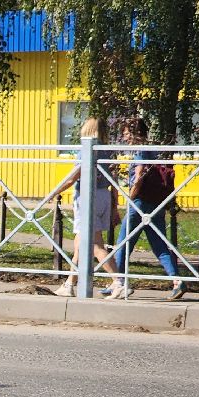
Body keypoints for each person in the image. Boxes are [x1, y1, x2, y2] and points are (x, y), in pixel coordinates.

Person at [111, 118, 185, 300]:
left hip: (140, 204)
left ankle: (117, 283)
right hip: (156, 203)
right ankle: (177, 281)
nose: (124, 136)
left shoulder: (140, 151)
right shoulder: (153, 148)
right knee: (159, 245)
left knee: (123, 244)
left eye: (127, 133)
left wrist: (131, 196)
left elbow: (139, 175)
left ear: (136, 133)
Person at [47, 117, 118, 297]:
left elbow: (73, 177)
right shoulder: (109, 151)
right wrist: (114, 206)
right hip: (104, 195)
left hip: (88, 197)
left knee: (92, 245)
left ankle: (119, 281)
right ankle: (70, 284)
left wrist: (54, 192)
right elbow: (114, 179)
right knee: (80, 245)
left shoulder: (87, 150)